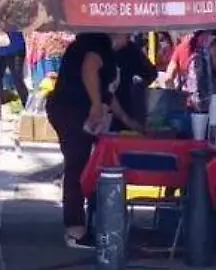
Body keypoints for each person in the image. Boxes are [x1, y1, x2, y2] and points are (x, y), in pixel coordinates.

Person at [48, 33, 137, 249]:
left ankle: (88, 222)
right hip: (73, 110)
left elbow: (108, 93)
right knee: (76, 166)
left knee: (87, 166)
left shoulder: (104, 50)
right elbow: (89, 69)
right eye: (128, 35)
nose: (129, 40)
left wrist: (129, 121)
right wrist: (96, 105)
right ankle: (75, 229)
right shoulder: (97, 43)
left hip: (78, 111)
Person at [111, 33, 157, 131]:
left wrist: (139, 83)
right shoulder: (100, 53)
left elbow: (151, 73)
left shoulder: (132, 50)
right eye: (126, 36)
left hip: (130, 108)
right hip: (108, 114)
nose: (126, 41)